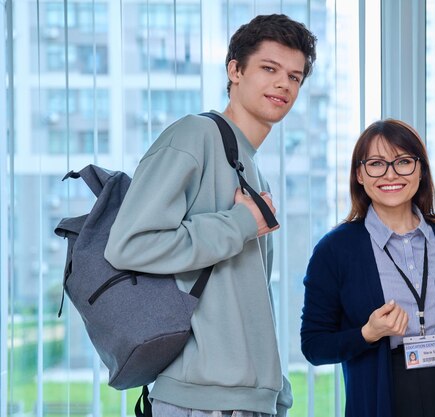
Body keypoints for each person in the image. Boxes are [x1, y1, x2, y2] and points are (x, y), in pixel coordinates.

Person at [104, 14, 316, 417]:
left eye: (295, 76)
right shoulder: (194, 136)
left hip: (247, 401)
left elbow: (246, 295)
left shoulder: (251, 166)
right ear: (234, 70)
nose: (283, 84)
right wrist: (238, 224)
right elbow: (129, 245)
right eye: (269, 69)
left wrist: (275, 392)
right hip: (197, 401)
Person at [300, 119, 435, 417]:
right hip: (379, 398)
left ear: (420, 170)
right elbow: (314, 346)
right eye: (376, 164)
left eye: (403, 162)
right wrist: (368, 332)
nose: (391, 174)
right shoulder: (334, 250)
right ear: (359, 174)